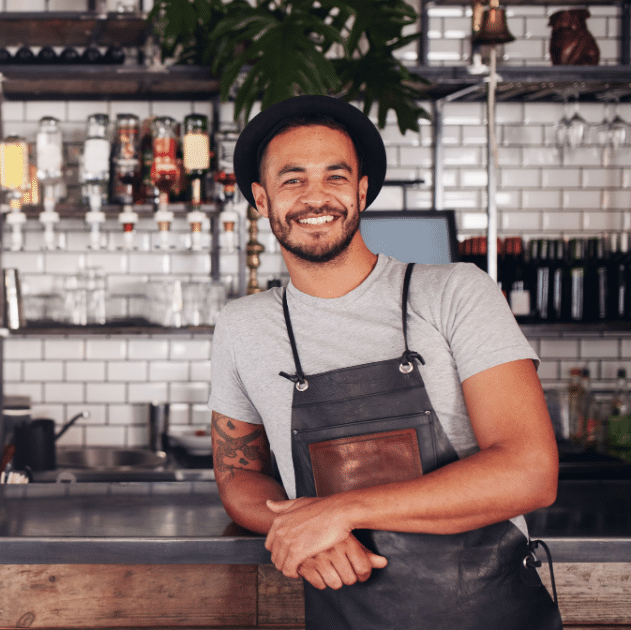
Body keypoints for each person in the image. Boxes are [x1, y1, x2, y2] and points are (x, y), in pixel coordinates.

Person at [208, 95, 563, 629]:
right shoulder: (243, 326)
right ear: (262, 199)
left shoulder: (455, 293)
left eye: (335, 176)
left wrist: (337, 513)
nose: (316, 197)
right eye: (292, 179)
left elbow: (531, 473)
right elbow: (239, 474)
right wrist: (297, 530)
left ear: (361, 191)